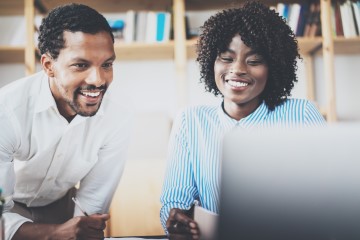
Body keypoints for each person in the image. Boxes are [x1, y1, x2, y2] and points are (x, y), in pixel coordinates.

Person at [160, 1, 326, 239]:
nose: (237, 69)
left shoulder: (302, 114)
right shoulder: (190, 122)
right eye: (226, 58)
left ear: (274, 67)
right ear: (212, 62)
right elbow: (174, 201)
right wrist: (177, 222)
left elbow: (329, 197)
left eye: (254, 61)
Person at [0, 3, 132, 240]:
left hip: (63, 207)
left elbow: (91, 209)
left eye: (107, 64)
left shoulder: (117, 119)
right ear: (49, 66)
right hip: (8, 209)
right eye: (81, 65)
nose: (98, 80)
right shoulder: (7, 110)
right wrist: (53, 234)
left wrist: (75, 229)